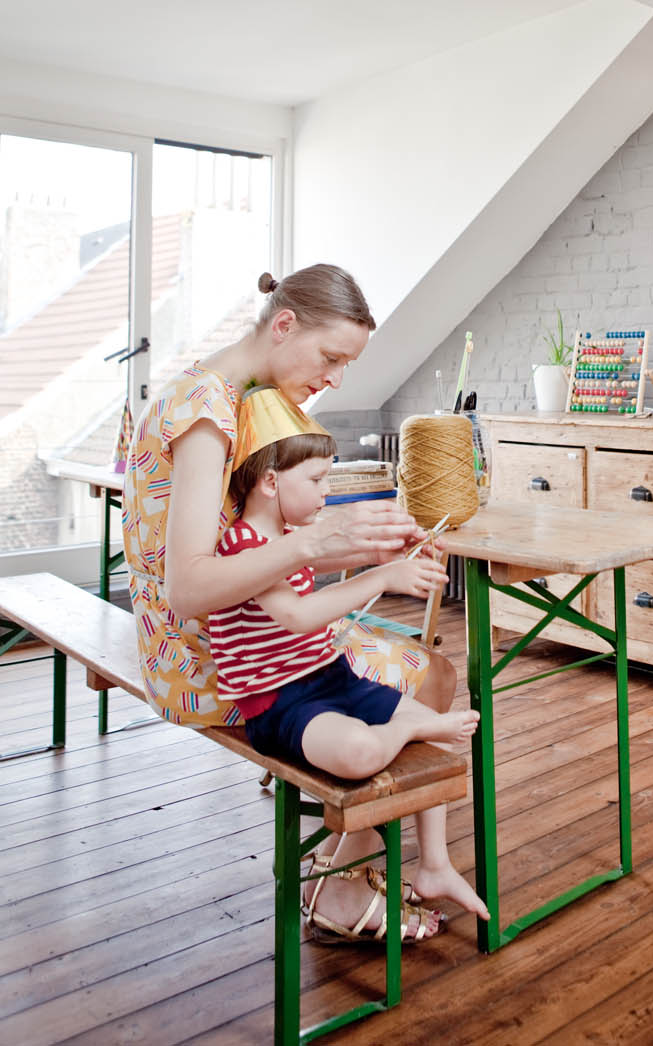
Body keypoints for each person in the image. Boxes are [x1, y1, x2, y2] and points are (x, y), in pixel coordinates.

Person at [122, 264, 471, 940]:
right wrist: (326, 548)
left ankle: (356, 866)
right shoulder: (208, 414)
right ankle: (342, 886)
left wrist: (366, 549)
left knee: (423, 673)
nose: (334, 377)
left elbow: (249, 552)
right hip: (205, 660)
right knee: (431, 675)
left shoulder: (225, 391)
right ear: (284, 325)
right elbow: (192, 590)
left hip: (232, 631)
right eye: (330, 356)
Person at [208, 387, 486, 939]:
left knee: (426, 742)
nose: (325, 492)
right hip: (280, 705)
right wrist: (381, 576)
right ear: (268, 481)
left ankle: (435, 864)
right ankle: (407, 729)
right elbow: (296, 616)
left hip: (330, 677)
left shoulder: (287, 533)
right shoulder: (242, 545)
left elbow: (328, 572)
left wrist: (390, 553)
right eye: (315, 480)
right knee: (363, 751)